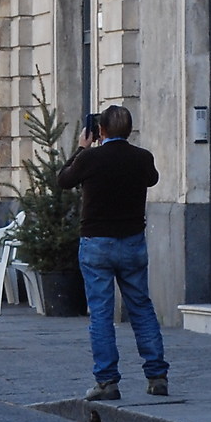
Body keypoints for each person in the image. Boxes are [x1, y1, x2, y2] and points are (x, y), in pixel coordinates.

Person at [59, 106, 167, 398]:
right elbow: (152, 178)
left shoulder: (91, 158)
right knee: (141, 307)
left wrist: (81, 149)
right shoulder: (142, 157)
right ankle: (157, 375)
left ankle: (107, 381)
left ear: (101, 131)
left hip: (97, 243)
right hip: (131, 241)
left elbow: (63, 179)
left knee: (102, 314)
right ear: (129, 130)